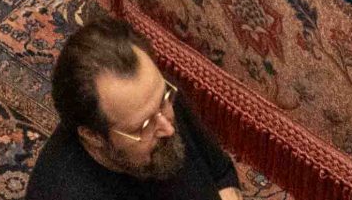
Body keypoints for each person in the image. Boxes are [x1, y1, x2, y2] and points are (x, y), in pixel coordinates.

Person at [32, 17, 244, 200]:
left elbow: (220, 173)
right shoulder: (61, 191)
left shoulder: (154, 97)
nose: (167, 128)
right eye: (143, 126)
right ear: (93, 135)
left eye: (163, 100)